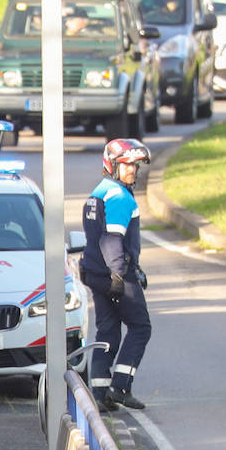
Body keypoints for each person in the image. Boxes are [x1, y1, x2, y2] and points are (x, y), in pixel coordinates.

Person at [79, 138, 154, 412]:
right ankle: (121, 387)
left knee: (107, 330)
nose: (132, 171)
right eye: (127, 166)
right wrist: (120, 275)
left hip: (94, 272)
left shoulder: (97, 193)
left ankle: (99, 393)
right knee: (140, 327)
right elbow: (111, 240)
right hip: (114, 275)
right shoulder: (120, 197)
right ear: (112, 165)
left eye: (135, 166)